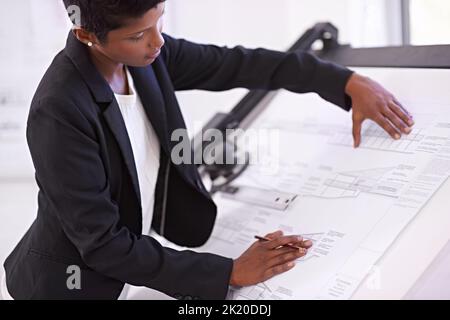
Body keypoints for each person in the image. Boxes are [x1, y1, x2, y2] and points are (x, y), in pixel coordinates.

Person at [2, 0, 414, 300]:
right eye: (137, 35)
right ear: (86, 35)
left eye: (159, 20)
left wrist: (343, 82)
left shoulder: (149, 58)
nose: (157, 42)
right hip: (70, 285)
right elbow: (103, 244)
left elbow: (240, 64)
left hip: (130, 272)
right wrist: (230, 272)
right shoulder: (58, 111)